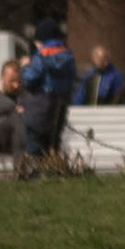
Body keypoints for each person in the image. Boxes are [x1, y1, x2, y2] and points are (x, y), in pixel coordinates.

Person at [17, 22, 77, 159]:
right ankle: (51, 171)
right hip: (58, 107)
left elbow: (30, 79)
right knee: (52, 145)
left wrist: (25, 66)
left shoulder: (41, 55)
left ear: (41, 40)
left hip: (38, 109)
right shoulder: (68, 55)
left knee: (34, 148)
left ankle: (35, 174)